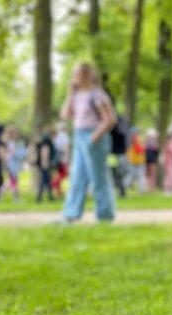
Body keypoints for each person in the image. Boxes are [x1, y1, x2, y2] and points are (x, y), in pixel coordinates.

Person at [58, 62, 117, 222]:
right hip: (78, 135)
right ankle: (71, 213)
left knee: (98, 177)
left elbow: (110, 119)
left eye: (76, 74)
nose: (74, 77)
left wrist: (95, 137)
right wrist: (70, 94)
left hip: (93, 136)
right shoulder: (77, 95)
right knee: (77, 176)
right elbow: (65, 115)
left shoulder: (97, 95)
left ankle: (105, 214)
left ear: (86, 75)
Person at [33, 126, 58, 202]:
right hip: (45, 164)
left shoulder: (43, 140)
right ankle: (39, 197)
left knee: (47, 180)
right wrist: (45, 163)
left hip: (43, 163)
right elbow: (45, 151)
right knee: (44, 180)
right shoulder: (47, 141)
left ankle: (50, 196)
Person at [52, 122, 71, 199]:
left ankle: (59, 192)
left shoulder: (57, 137)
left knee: (62, 174)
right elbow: (66, 148)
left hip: (59, 158)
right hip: (63, 158)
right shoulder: (64, 136)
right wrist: (67, 158)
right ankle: (55, 184)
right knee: (65, 174)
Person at [127, 130, 147, 194]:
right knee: (137, 176)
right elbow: (140, 150)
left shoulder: (133, 142)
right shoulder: (136, 142)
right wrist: (143, 147)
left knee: (134, 175)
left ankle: (141, 189)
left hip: (137, 161)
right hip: (137, 161)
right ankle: (141, 190)